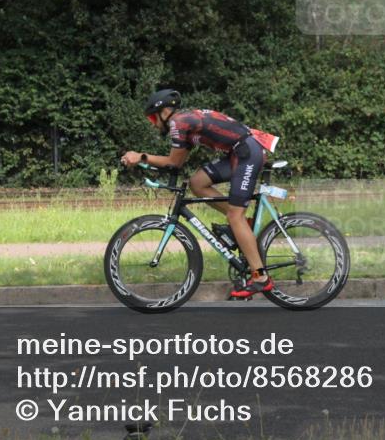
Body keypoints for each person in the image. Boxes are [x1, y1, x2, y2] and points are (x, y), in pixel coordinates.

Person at [120, 89, 280, 298]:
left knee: (234, 215)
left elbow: (173, 162)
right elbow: (177, 164)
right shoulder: (183, 121)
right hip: (237, 152)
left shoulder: (179, 123)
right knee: (197, 182)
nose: (153, 123)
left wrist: (140, 156)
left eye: (153, 117)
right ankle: (244, 225)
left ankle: (260, 277)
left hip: (247, 153)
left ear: (165, 111)